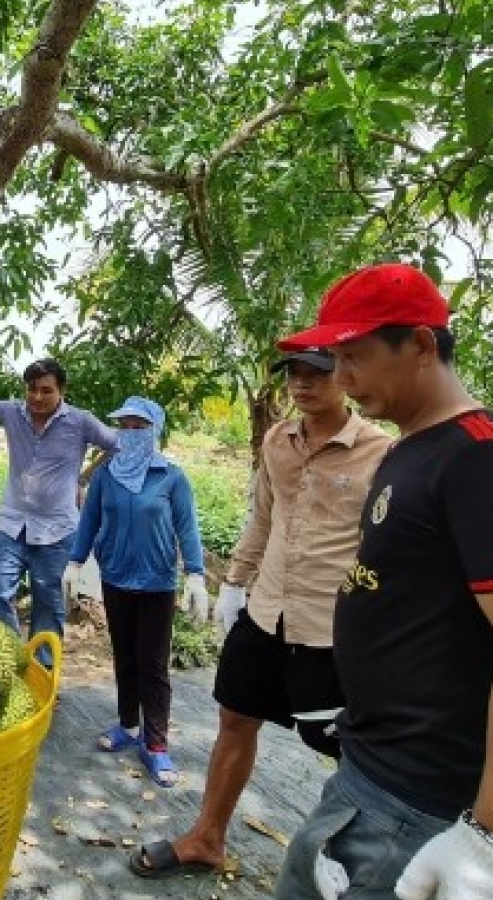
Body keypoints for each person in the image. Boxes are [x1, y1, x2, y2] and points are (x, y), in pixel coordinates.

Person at [270, 263, 493, 900]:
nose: (343, 378)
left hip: (418, 805)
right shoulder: (411, 449)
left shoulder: (489, 461)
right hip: (370, 771)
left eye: (354, 357)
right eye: (337, 357)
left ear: (419, 344)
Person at [129, 348, 389, 876]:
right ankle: (207, 837)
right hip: (267, 612)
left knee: (347, 749)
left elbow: (388, 548)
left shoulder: (381, 454)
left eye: (316, 373)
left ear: (344, 375)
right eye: (293, 373)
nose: (302, 384)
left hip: (330, 628)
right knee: (235, 718)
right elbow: (262, 520)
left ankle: (357, 868)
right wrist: (234, 584)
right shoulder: (278, 441)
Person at [0, 326, 118, 666]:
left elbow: (118, 445)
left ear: (61, 390)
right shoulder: (12, 413)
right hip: (14, 526)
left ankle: (44, 673)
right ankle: (12, 662)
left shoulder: (80, 422)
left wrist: (85, 476)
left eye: (46, 390)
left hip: (58, 532)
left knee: (49, 607)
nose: (37, 397)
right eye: (31, 389)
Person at [65, 396, 209, 787]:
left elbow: (187, 526)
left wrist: (195, 574)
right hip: (115, 577)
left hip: (157, 582)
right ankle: (128, 725)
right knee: (125, 656)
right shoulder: (107, 476)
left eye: (138, 427)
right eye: (124, 426)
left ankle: (157, 744)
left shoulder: (170, 477)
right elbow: (89, 520)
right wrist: (75, 563)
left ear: (153, 431)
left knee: (153, 664)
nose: (129, 434)